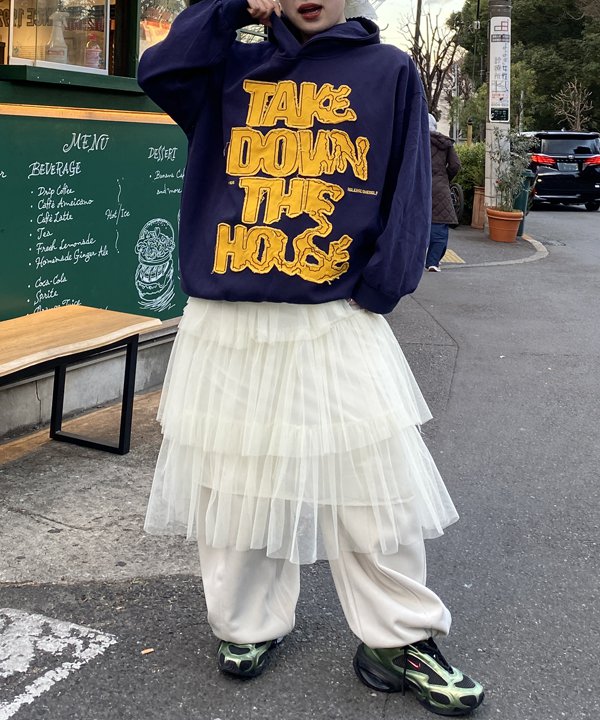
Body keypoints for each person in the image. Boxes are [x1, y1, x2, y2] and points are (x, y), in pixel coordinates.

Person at [138, 0, 484, 715]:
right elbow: (159, 69)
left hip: (334, 313)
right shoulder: (228, 66)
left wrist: (382, 287)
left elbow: (408, 187)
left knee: (375, 486)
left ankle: (399, 637)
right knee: (235, 482)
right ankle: (246, 624)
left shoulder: (387, 69)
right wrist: (232, 7)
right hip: (229, 316)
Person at [425, 113, 462, 272]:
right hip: (440, 187)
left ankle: (412, 260)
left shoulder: (415, 140)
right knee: (439, 226)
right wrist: (445, 179)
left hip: (419, 186)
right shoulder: (445, 143)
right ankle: (433, 262)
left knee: (413, 223)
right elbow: (455, 165)